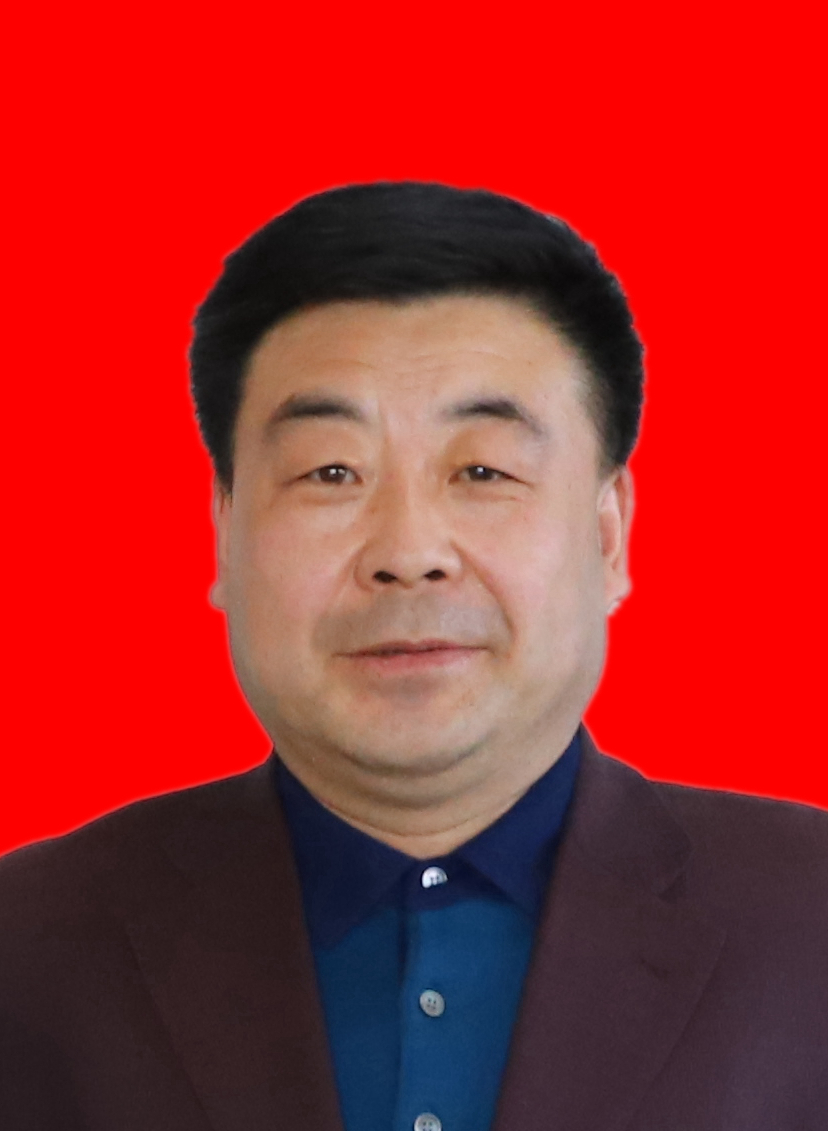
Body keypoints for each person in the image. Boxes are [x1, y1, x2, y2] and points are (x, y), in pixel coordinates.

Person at [1, 182, 826, 1131]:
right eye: (330, 472)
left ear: (608, 536)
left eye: (482, 470)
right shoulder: (31, 945)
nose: (408, 550)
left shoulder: (810, 922)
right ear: (224, 533)